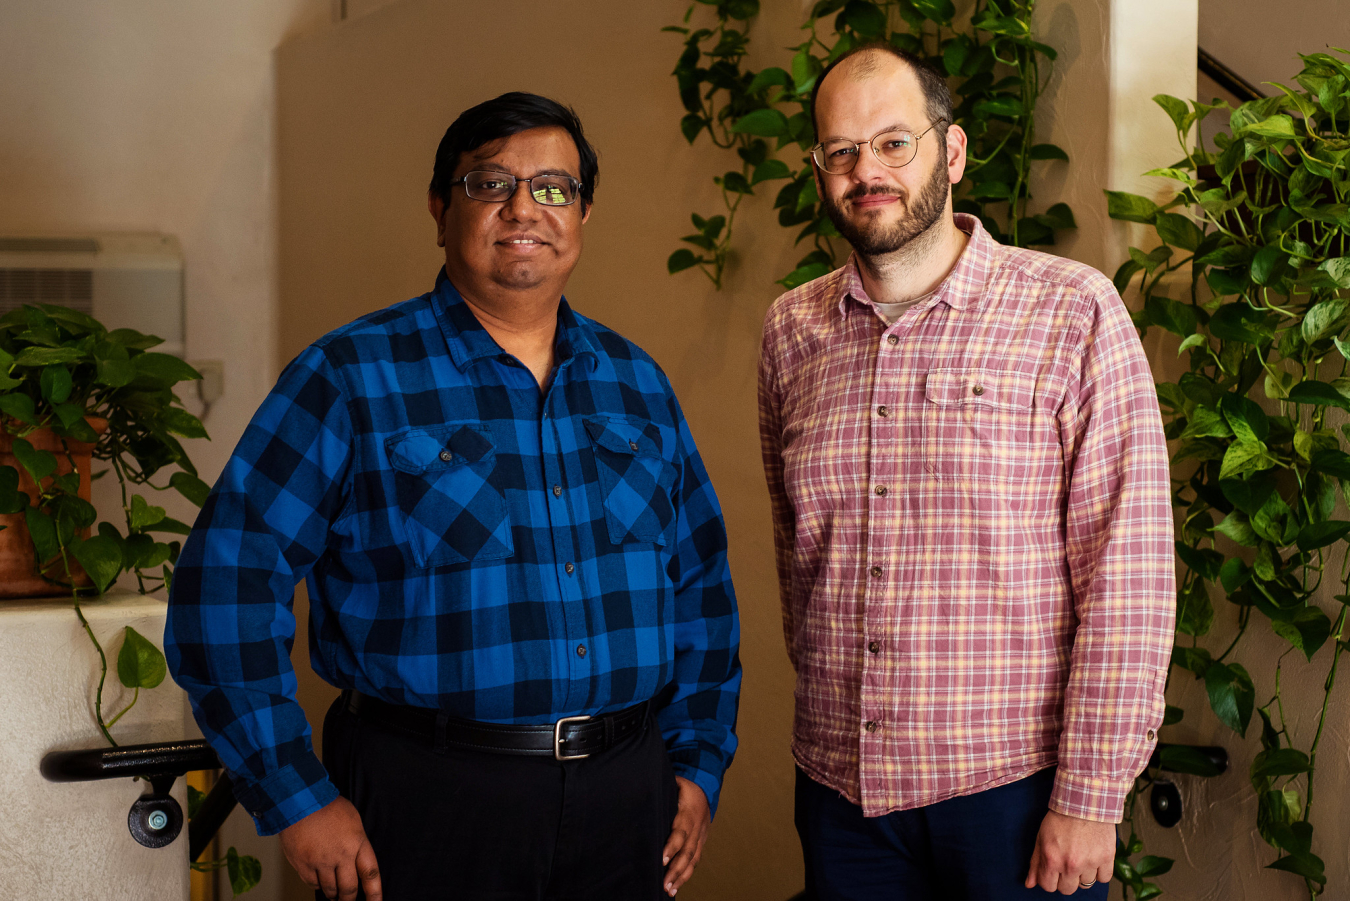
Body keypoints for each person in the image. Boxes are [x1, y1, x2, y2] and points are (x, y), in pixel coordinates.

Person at [166, 91, 741, 901]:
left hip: (627, 798)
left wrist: (697, 763)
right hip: (425, 802)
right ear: (441, 209)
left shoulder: (635, 383)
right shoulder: (349, 376)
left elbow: (704, 593)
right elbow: (223, 589)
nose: (523, 208)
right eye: (488, 183)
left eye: (553, 187)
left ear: (582, 214)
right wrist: (296, 794)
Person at [757, 44, 1174, 900]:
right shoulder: (791, 330)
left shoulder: (1071, 309)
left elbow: (1126, 570)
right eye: (841, 151)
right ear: (819, 170)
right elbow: (797, 555)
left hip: (1013, 797)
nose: (865, 170)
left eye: (893, 143)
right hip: (842, 795)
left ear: (951, 153)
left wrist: (1093, 795)